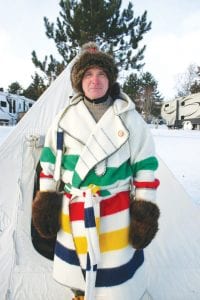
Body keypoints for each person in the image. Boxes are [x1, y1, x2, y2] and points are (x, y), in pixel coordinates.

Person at [32, 42, 160, 300]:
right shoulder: (63, 119)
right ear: (79, 81)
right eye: (88, 74)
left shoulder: (131, 119)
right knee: (77, 269)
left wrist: (144, 213)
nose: (95, 80)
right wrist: (45, 201)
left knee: (114, 276)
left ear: (110, 79)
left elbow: (145, 169)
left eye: (101, 74)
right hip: (75, 209)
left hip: (116, 210)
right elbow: (47, 164)